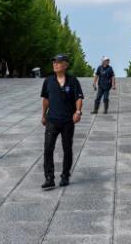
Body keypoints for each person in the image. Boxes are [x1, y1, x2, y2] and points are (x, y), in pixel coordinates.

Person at [41, 54, 84, 189]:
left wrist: (78, 112)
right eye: (54, 62)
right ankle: (49, 178)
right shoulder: (48, 81)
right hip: (52, 120)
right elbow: (45, 99)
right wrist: (43, 115)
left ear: (66, 65)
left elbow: (79, 98)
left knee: (67, 149)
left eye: (58, 62)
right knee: (48, 149)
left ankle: (65, 175)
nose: (55, 64)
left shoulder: (73, 81)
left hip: (67, 121)